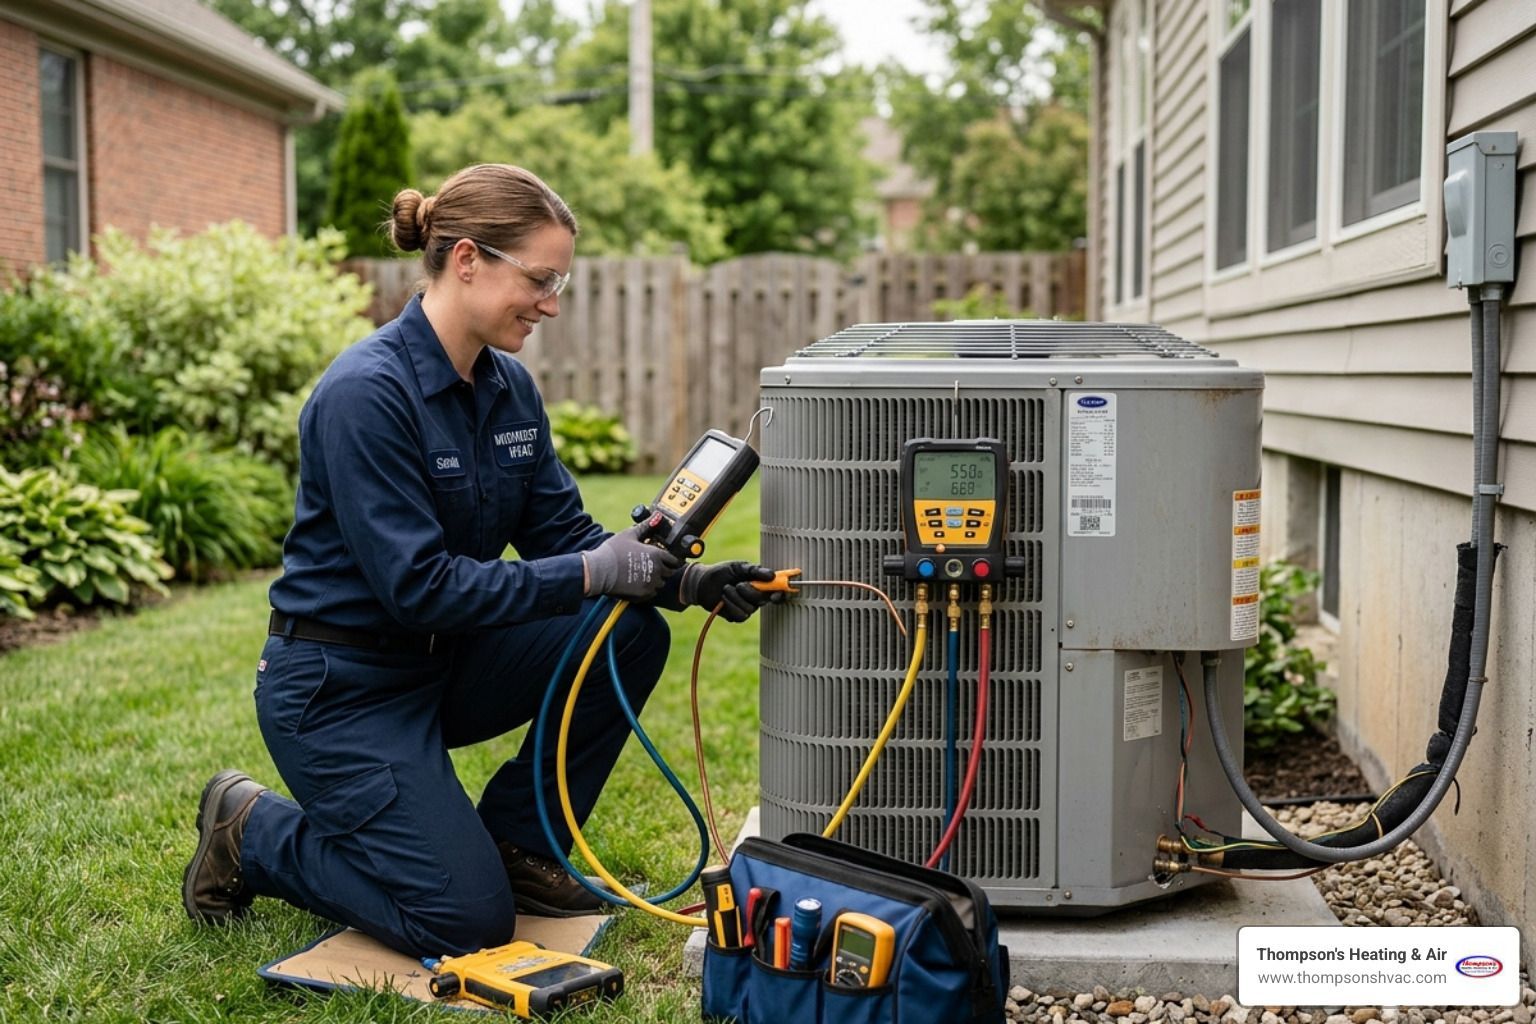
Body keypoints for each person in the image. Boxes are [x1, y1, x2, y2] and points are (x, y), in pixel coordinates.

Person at [181, 163, 778, 958]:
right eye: (539, 278)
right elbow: (419, 589)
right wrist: (593, 572)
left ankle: (518, 850)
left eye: (558, 279)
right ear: (468, 259)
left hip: (442, 669)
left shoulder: (509, 391)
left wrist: (686, 581)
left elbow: (565, 536)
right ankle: (251, 829)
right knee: (461, 923)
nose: (552, 302)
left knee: (628, 633)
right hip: (340, 692)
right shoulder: (365, 394)